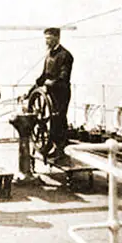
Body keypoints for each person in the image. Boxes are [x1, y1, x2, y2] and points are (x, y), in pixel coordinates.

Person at [29, 27, 73, 158]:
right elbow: (43, 76)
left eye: (49, 38)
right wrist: (30, 91)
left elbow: (64, 76)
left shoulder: (65, 55)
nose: (46, 41)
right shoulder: (49, 55)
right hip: (50, 93)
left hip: (62, 92)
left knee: (59, 118)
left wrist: (52, 82)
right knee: (54, 119)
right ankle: (56, 147)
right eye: (45, 38)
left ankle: (61, 150)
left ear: (57, 38)